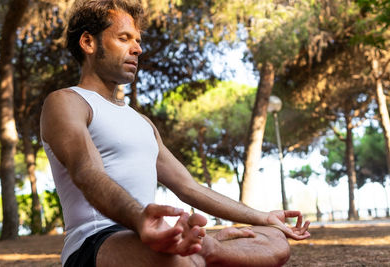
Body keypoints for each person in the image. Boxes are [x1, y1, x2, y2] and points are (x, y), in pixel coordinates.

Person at [40, 1, 311, 266]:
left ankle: (206, 251)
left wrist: (263, 218)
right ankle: (205, 252)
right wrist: (140, 219)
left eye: (137, 39)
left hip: (148, 235)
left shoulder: (141, 122)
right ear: (88, 42)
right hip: (95, 242)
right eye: (124, 38)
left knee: (275, 240)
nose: (138, 48)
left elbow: (189, 187)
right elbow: (87, 172)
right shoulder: (66, 102)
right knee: (182, 259)